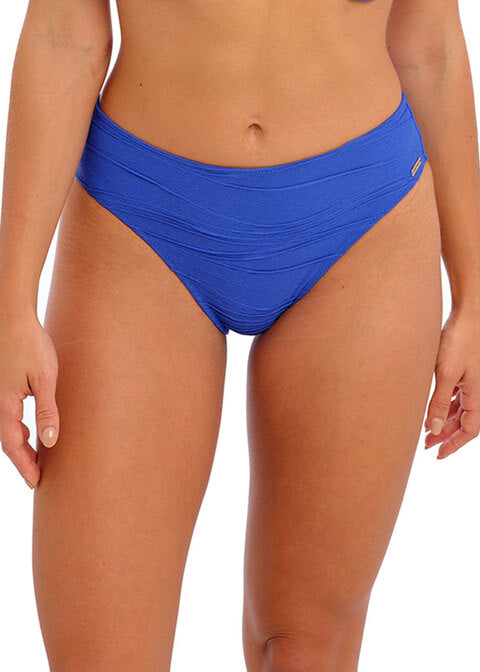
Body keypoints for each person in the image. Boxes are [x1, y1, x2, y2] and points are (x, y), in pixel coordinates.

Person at [0, 0, 479, 670]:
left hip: (363, 224)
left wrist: (474, 299)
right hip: (139, 220)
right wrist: (11, 304)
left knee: (307, 648)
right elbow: (64, 36)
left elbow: (430, 44)